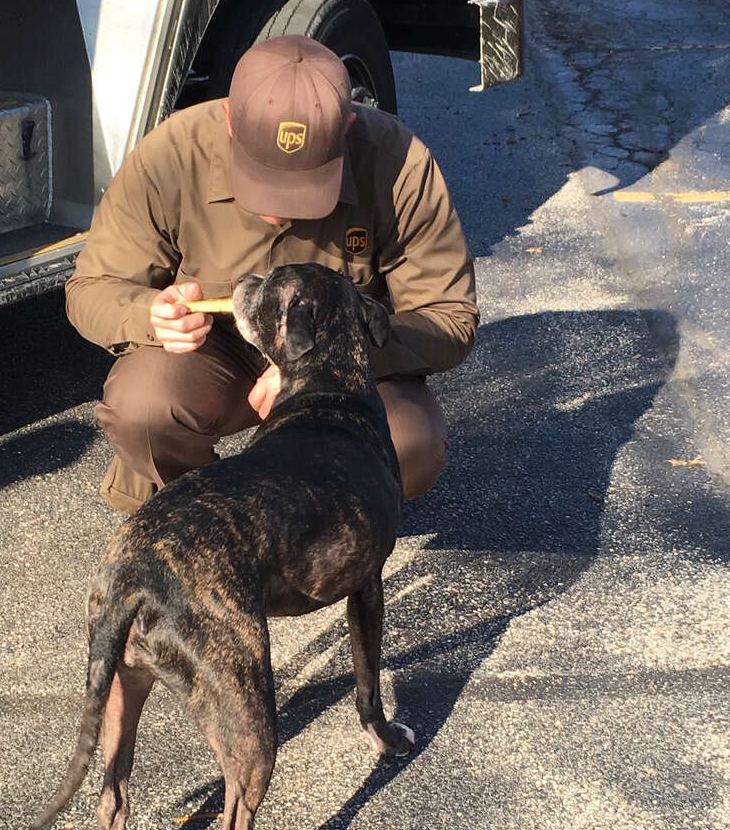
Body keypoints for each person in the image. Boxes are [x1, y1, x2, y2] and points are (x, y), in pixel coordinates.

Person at [66, 35, 478, 513]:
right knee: (144, 407)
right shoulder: (171, 154)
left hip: (345, 358)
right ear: (227, 118)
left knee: (410, 445)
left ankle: (310, 524)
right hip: (216, 357)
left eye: (303, 187)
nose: (277, 212)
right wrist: (148, 314)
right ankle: (201, 511)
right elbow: (89, 289)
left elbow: (449, 319)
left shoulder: (399, 165)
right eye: (261, 177)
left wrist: (325, 364)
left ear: (347, 126)